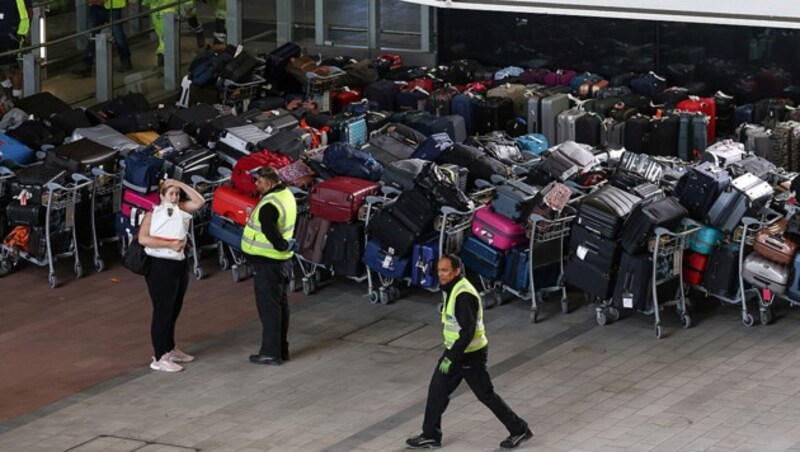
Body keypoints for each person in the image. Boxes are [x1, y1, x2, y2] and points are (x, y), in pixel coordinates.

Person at [406, 255, 533, 450]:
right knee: (437, 391)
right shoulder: (452, 289)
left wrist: (450, 356)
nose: (441, 274)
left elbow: (468, 331)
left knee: (486, 395)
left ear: (457, 271)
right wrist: (451, 355)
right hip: (456, 354)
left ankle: (519, 429)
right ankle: (430, 435)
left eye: (445, 270)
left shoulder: (463, 295)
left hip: (470, 356)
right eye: (439, 270)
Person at [138, 179, 205, 372]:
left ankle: (170, 347)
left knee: (175, 307)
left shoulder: (182, 209)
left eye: (176, 193)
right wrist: (170, 244)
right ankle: (159, 356)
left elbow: (199, 201)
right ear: (162, 196)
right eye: (171, 193)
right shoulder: (152, 214)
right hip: (160, 266)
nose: (175, 197)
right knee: (163, 310)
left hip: (179, 263)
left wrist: (178, 183)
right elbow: (143, 239)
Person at [241, 166, 297, 366]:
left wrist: (281, 245)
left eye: (258, 181)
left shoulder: (269, 205)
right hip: (282, 262)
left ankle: (271, 353)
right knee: (280, 306)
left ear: (269, 182)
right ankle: (281, 349)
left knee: (269, 310)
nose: (256, 184)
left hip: (268, 263)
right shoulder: (286, 195)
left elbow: (271, 232)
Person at [146, 0, 226, 69]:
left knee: (221, 14)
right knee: (187, 11)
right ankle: (164, 57)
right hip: (159, 6)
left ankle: (216, 46)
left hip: (169, 5)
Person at [73, 0, 132, 77]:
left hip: (112, 6)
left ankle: (125, 61)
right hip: (96, 6)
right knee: (92, 36)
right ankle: (87, 65)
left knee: (118, 35)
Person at [0, 0, 31, 98]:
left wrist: (21, 33)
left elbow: (29, 13)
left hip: (13, 34)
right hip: (12, 32)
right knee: (13, 67)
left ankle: (16, 97)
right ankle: (7, 86)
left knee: (14, 66)